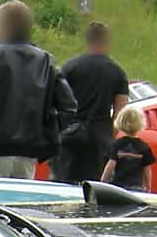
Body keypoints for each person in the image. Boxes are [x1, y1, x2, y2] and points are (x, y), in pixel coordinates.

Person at [0, 0, 74, 179]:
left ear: (3, 26)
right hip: (28, 151)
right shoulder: (45, 61)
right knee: (19, 204)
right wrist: (45, 134)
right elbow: (68, 107)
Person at [55, 21, 130, 184]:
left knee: (63, 187)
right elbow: (119, 114)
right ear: (106, 41)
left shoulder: (69, 67)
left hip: (70, 137)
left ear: (87, 41)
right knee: (94, 191)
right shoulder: (117, 72)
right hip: (99, 138)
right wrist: (109, 136)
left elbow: (55, 103)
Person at [100, 106, 155, 191]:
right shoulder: (144, 147)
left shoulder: (116, 144)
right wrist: (148, 188)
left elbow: (111, 164)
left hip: (118, 186)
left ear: (120, 122)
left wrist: (103, 181)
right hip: (136, 187)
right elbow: (147, 170)